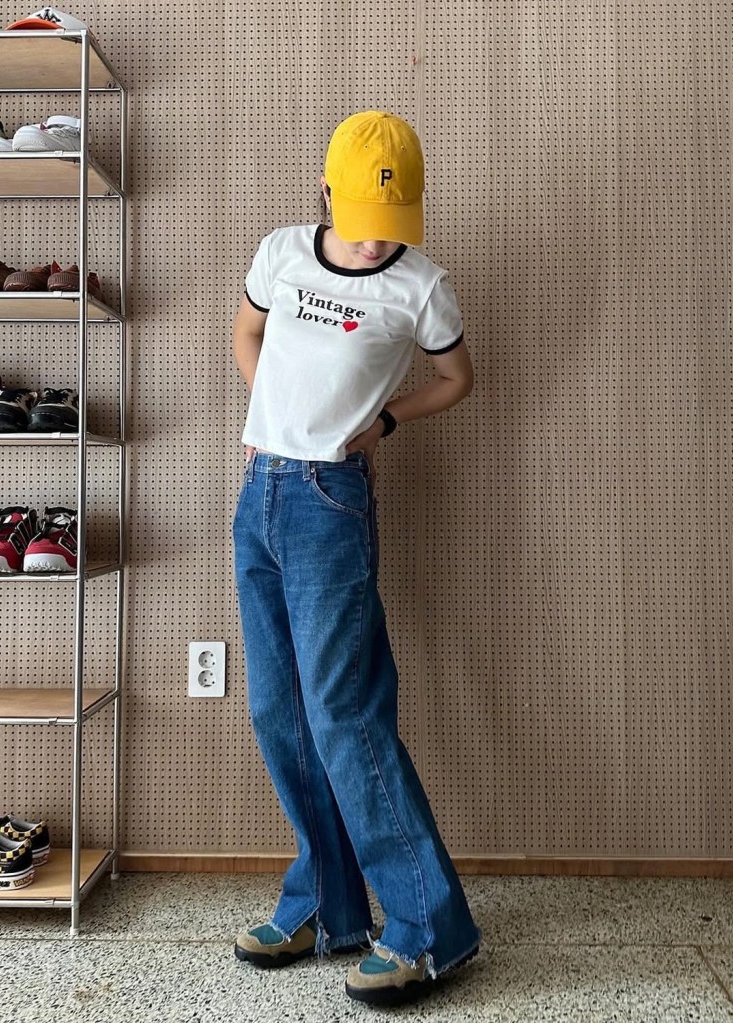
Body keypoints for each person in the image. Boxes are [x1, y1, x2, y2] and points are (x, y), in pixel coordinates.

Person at [231, 110, 481, 1007]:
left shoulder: (421, 286)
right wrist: (275, 425)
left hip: (333, 501)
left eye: (396, 225)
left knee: (344, 715)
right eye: (364, 221)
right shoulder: (280, 254)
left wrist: (382, 423)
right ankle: (328, 905)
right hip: (259, 493)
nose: (378, 243)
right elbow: (246, 334)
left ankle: (428, 927)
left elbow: (455, 379)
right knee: (277, 709)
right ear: (326, 189)